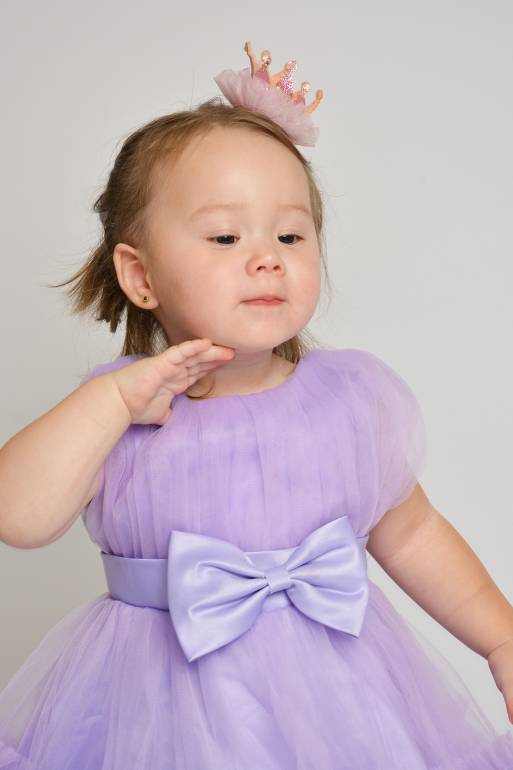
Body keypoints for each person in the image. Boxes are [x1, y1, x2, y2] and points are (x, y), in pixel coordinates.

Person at [0, 44, 513, 770]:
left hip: (337, 703)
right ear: (140, 276)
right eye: (225, 236)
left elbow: (413, 533)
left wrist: (500, 638)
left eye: (291, 235)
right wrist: (110, 399)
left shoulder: (347, 400)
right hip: (159, 712)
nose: (268, 256)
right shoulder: (119, 409)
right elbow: (18, 517)